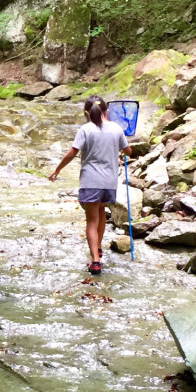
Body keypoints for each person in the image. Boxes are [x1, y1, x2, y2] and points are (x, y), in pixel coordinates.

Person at [49, 96, 131, 275]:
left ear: (87, 113)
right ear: (106, 111)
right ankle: (98, 249)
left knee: (92, 220)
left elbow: (72, 153)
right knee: (101, 214)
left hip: (91, 181)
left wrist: (58, 169)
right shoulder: (116, 129)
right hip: (109, 183)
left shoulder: (85, 129)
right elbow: (128, 151)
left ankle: (95, 261)